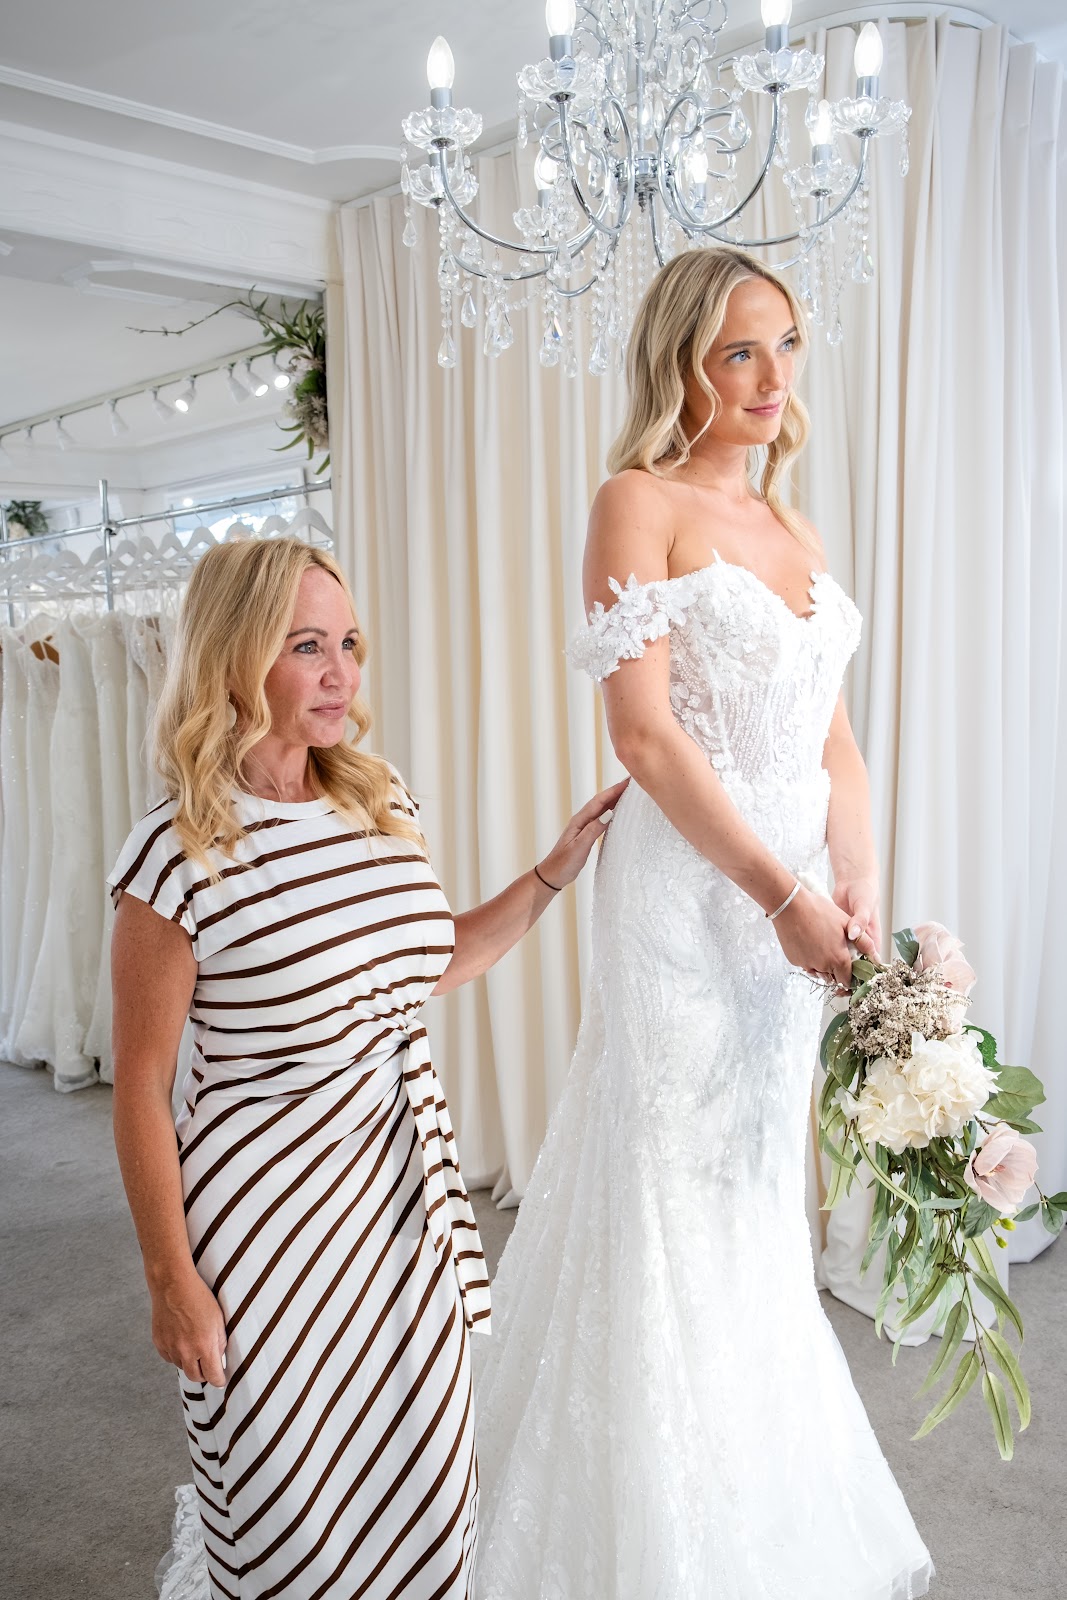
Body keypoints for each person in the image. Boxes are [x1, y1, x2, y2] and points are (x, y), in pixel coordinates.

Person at [473, 249, 934, 1599]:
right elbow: (642, 735)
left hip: (794, 913)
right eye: (737, 351)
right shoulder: (637, 501)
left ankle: (755, 1501)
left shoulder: (796, 534)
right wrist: (779, 893)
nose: (768, 376)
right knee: (669, 1185)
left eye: (782, 344)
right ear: (680, 364)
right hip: (688, 904)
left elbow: (832, 742)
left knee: (751, 1193)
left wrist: (854, 883)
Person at [109, 537, 623, 1600]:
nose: (341, 673)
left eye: (348, 644)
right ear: (235, 656)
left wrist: (550, 873)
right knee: (289, 1516)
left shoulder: (378, 801)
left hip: (403, 1212)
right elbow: (141, 1087)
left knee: (427, 1486)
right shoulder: (176, 852)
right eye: (307, 646)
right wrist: (171, 1279)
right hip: (264, 1237)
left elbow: (427, 964)